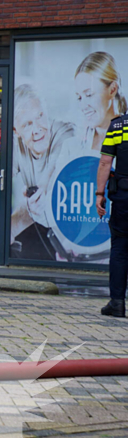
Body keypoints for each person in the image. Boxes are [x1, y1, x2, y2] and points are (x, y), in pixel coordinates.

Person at [10, 84, 75, 260]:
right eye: (28, 124)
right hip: (45, 235)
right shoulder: (16, 148)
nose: (38, 128)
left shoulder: (65, 132)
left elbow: (54, 165)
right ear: (15, 131)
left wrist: (41, 190)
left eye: (40, 116)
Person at [96, 110, 128, 319]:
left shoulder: (119, 125)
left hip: (124, 197)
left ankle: (117, 303)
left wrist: (100, 194)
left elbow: (105, 163)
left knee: (120, 247)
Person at [75, 52, 126, 153]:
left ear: (112, 90)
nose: (83, 106)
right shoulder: (72, 146)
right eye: (79, 98)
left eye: (89, 94)